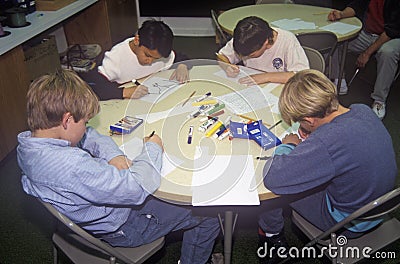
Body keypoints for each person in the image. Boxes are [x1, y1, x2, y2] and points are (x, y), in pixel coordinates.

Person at [17, 69, 220, 264]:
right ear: (67, 120)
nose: (86, 127)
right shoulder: (71, 166)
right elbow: (138, 187)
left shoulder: (29, 145)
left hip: (86, 223)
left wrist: (113, 154)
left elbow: (88, 135)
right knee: (209, 212)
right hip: (126, 226)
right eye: (85, 121)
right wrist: (152, 147)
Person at [257, 69, 396, 263]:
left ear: (309, 120)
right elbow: (343, 147)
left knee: (275, 191)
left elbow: (273, 176)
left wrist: (289, 144)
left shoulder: (327, 141)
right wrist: (315, 137)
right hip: (378, 208)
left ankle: (271, 237)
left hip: (346, 222)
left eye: (300, 122)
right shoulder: (362, 110)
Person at [83, 19, 190, 100]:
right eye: (147, 55)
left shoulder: (159, 53)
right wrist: (124, 92)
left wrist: (182, 65)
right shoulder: (116, 58)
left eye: (156, 59)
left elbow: (180, 57)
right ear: (137, 40)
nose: (150, 61)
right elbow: (94, 88)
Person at [328, 0, 400, 119]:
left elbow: (391, 31)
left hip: (392, 37)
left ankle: (379, 101)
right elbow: (356, 6)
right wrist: (341, 14)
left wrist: (367, 53)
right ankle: (338, 79)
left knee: (387, 53)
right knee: (338, 40)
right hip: (368, 34)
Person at [217, 16, 309, 86]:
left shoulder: (287, 40)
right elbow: (221, 56)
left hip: (280, 89)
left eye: (252, 55)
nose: (247, 57)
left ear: (265, 42)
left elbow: (301, 75)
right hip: (253, 87)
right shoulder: (244, 38)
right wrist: (227, 66)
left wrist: (266, 77)